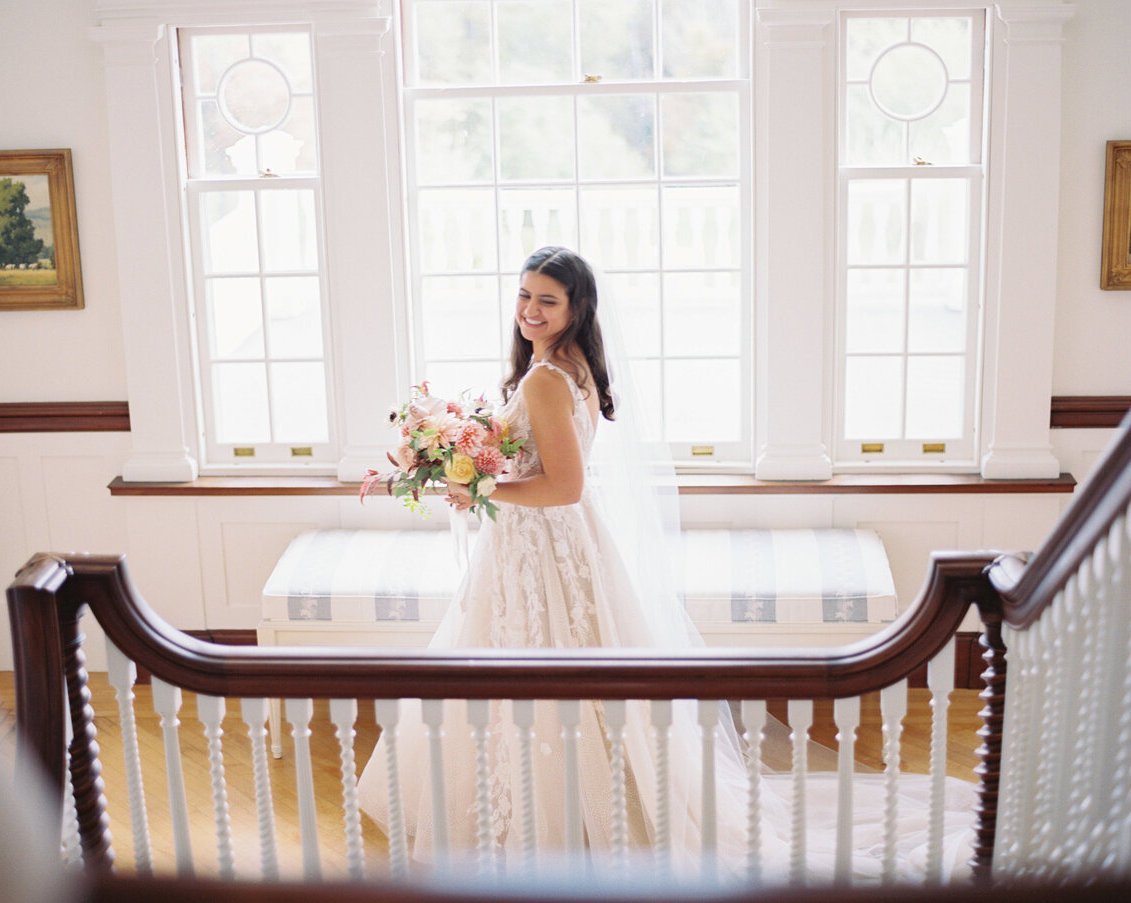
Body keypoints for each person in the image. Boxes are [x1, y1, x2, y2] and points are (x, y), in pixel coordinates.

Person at [356, 247, 976, 882]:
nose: (530, 310)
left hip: (542, 543)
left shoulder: (546, 381)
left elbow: (563, 487)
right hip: (550, 544)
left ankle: (554, 829)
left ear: (575, 309)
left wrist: (480, 488)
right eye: (524, 295)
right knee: (559, 677)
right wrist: (470, 460)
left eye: (548, 300)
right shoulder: (565, 368)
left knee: (536, 676)